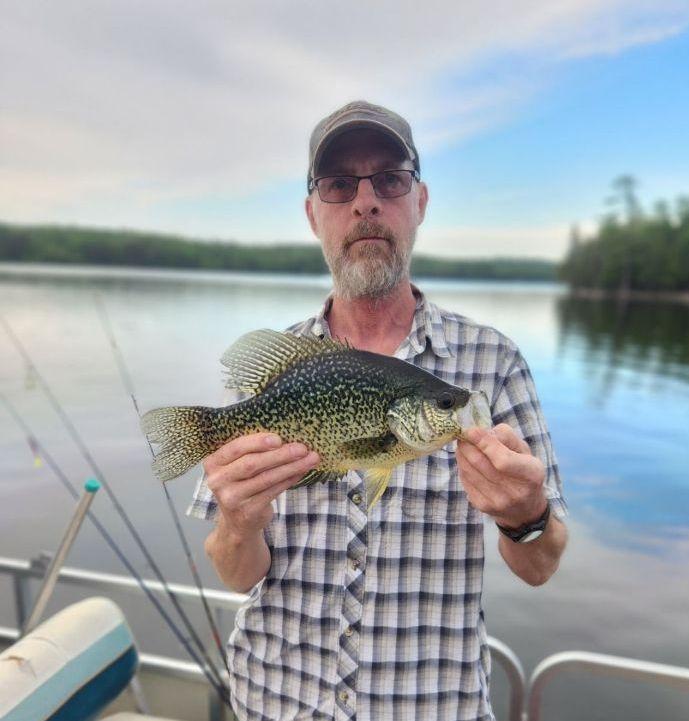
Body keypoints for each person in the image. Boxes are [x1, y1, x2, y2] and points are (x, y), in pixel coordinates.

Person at [188, 100, 568, 721]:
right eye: (339, 185)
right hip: (275, 702)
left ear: (420, 201)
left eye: (389, 180)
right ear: (313, 214)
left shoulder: (494, 362)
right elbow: (236, 574)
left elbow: (541, 566)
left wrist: (525, 515)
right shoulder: (281, 373)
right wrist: (238, 523)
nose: (365, 203)